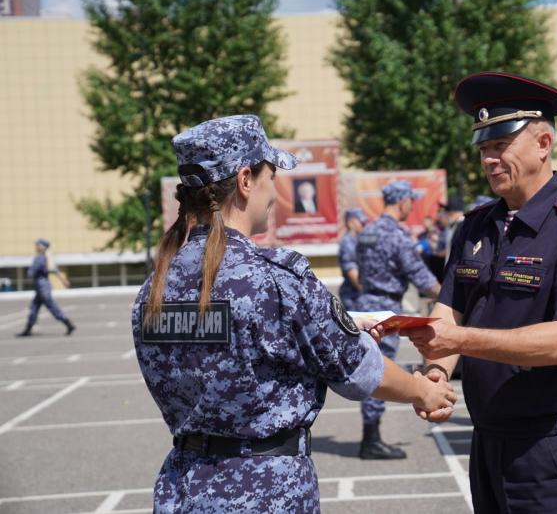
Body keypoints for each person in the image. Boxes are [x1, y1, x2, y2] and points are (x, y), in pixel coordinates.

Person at [130, 115, 456, 513]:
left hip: (184, 489)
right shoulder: (276, 279)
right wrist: (426, 390)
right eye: (272, 175)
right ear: (246, 180)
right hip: (266, 491)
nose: (275, 189)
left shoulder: (157, 285)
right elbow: (357, 369)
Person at [403, 72, 557, 512]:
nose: (488, 159)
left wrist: (459, 342)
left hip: (547, 445)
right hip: (487, 436)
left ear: (543, 144)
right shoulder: (474, 225)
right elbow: (451, 310)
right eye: (484, 148)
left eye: (500, 145)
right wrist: (437, 375)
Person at [355, 179, 442, 459]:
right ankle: (371, 440)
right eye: (410, 202)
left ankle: (371, 435)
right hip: (386, 308)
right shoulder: (397, 235)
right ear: (402, 201)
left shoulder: (367, 231)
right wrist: (448, 297)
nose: (411, 207)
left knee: (369, 364)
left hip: (365, 302)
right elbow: (420, 275)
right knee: (379, 370)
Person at [16, 238, 75, 337]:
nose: (36, 247)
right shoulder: (47, 258)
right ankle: (28, 329)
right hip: (42, 287)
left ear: (41, 247)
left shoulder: (39, 258)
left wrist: (30, 272)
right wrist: (64, 281)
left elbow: (31, 272)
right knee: (34, 308)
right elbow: (55, 270)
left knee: (52, 307)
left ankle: (68, 324)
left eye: (37, 245)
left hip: (42, 287)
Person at [338, 207, 368, 310]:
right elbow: (352, 271)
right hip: (354, 295)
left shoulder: (360, 239)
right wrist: (366, 292)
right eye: (361, 222)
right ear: (351, 222)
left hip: (361, 293)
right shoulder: (348, 242)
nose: (364, 224)